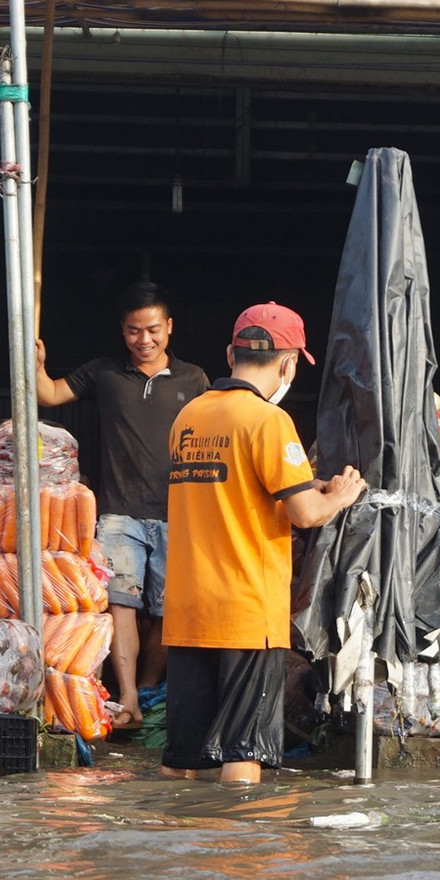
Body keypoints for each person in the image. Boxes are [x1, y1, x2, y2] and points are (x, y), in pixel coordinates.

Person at [161, 302, 366, 784]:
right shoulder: (268, 421)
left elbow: (226, 495)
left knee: (183, 760)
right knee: (242, 754)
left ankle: (167, 852)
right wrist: (340, 494)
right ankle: (243, 857)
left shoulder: (188, 418)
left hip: (189, 611)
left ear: (231, 352)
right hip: (244, 612)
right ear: (288, 363)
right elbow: (306, 514)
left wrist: (296, 488)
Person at [37, 282, 210, 728]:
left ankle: (149, 689)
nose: (144, 340)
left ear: (169, 328)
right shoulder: (105, 372)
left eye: (153, 329)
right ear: (123, 331)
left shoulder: (194, 380)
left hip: (179, 513)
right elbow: (50, 394)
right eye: (134, 331)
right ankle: (129, 698)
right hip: (119, 512)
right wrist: (34, 363)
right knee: (122, 605)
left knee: (170, 611)